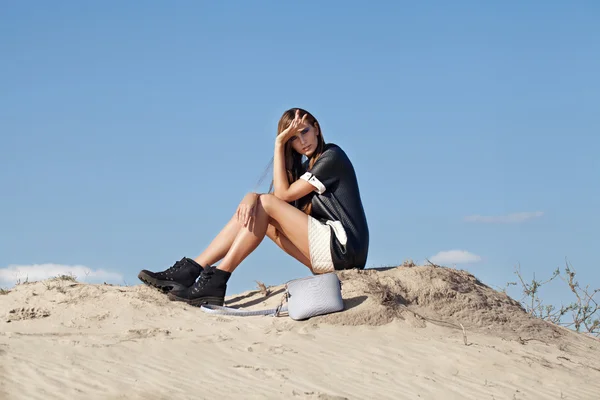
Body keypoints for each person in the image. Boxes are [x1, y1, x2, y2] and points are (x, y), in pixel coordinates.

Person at [138, 107, 369, 307]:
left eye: (305, 132)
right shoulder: (304, 170)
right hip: (325, 261)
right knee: (259, 214)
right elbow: (277, 200)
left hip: (344, 249)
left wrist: (278, 144)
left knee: (264, 203)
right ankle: (193, 269)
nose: (302, 142)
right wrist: (252, 196)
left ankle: (217, 277)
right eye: (293, 139)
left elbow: (281, 196)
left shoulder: (331, 156)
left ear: (316, 128)